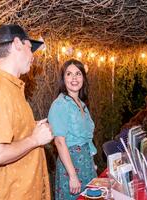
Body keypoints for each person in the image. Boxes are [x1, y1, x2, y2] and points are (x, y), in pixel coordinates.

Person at [0, 24, 54, 199]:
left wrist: (31, 128)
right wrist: (35, 139)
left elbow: (10, 133)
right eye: (30, 48)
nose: (32, 56)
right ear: (17, 43)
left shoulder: (10, 88)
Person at [48, 59, 97, 200]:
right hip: (70, 166)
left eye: (78, 74)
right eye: (69, 74)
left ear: (83, 78)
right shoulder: (60, 104)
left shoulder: (82, 104)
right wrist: (73, 175)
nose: (74, 78)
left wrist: (92, 162)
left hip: (86, 163)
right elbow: (59, 142)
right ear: (63, 79)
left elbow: (87, 139)